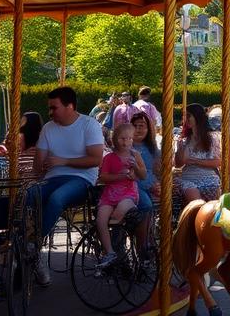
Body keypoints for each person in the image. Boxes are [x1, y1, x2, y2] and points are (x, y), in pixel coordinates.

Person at [31, 86, 105, 285]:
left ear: (69, 106)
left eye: (54, 108)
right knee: (26, 195)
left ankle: (33, 245)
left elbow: (96, 159)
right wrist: (35, 174)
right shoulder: (48, 128)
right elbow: (38, 164)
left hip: (81, 180)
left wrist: (63, 161)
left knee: (57, 197)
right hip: (52, 178)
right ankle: (19, 242)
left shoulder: (89, 125)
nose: (50, 112)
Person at [96, 122, 145, 267]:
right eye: (122, 139)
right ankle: (110, 251)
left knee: (119, 213)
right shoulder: (109, 158)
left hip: (127, 193)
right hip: (110, 194)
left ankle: (118, 241)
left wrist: (135, 167)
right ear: (115, 139)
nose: (126, 142)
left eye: (129, 138)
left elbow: (143, 175)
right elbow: (103, 177)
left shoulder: (135, 155)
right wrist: (120, 176)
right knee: (100, 219)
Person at [174, 103, 222, 202]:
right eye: (184, 116)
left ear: (197, 116)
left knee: (213, 185)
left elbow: (219, 162)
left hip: (208, 176)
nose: (185, 119)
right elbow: (179, 164)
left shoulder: (212, 138)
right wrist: (179, 150)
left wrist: (196, 161)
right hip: (189, 177)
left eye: (188, 116)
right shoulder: (184, 140)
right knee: (191, 191)